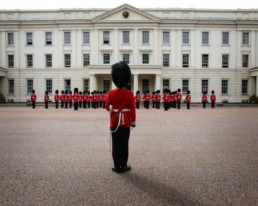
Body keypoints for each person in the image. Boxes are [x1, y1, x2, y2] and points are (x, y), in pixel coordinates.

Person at [106, 61, 136, 173]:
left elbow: (106, 107)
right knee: (124, 144)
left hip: (114, 122)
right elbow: (132, 109)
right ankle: (123, 165)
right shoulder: (130, 94)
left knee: (115, 144)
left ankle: (116, 165)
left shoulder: (110, 93)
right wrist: (133, 122)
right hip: (126, 122)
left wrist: (112, 110)